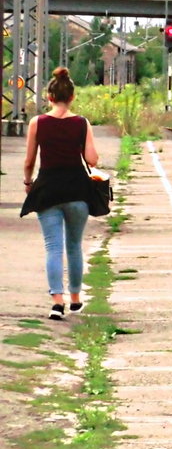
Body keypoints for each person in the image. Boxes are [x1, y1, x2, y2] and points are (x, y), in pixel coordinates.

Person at [20, 67, 100, 320]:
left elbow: (29, 160)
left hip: (48, 191)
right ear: (72, 96)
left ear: (49, 97)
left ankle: (57, 302)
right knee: (75, 245)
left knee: (53, 247)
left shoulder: (37, 123)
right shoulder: (82, 123)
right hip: (78, 191)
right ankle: (75, 298)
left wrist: (27, 182)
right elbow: (92, 159)